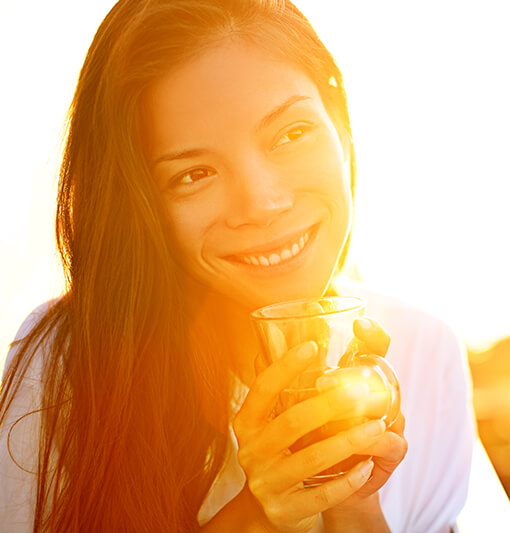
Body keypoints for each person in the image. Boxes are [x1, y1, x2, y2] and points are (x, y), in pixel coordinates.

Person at [0, 1, 476, 532]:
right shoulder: (68, 362)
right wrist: (257, 515)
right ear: (143, 206)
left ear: (340, 124)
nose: (263, 204)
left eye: (291, 134)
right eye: (194, 173)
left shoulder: (425, 349)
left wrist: (354, 500)